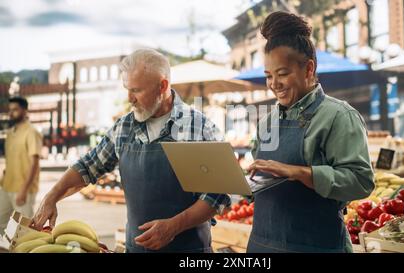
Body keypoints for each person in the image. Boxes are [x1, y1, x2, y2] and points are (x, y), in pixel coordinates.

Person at [31, 49, 231, 253]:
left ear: (162, 86)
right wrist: (51, 197)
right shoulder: (123, 128)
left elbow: (217, 196)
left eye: (136, 90)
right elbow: (87, 167)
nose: (130, 98)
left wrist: (173, 226)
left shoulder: (199, 127)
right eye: (127, 89)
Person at [246, 11, 374, 253]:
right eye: (269, 76)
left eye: (283, 74)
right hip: (262, 245)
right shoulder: (266, 122)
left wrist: (299, 172)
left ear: (308, 69)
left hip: (317, 245)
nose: (274, 84)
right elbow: (262, 179)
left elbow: (361, 181)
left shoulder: (338, 116)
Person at [0, 97, 42, 235]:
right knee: (2, 225)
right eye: (10, 110)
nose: (11, 113)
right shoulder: (11, 133)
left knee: (23, 230)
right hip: (6, 187)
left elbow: (34, 163)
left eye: (15, 110)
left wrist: (23, 189)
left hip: (24, 189)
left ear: (25, 111)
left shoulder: (32, 132)